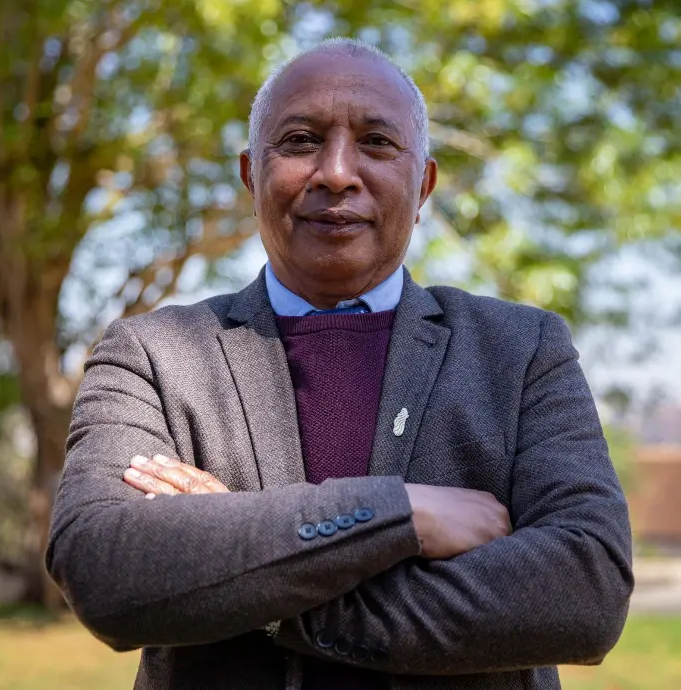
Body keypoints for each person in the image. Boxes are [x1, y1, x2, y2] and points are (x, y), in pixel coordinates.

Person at [46, 38, 633, 690]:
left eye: (377, 143)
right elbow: (104, 570)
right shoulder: (153, 355)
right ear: (250, 175)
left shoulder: (519, 351)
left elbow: (588, 589)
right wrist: (401, 513)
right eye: (300, 141)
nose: (335, 173)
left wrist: (254, 580)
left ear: (424, 185)